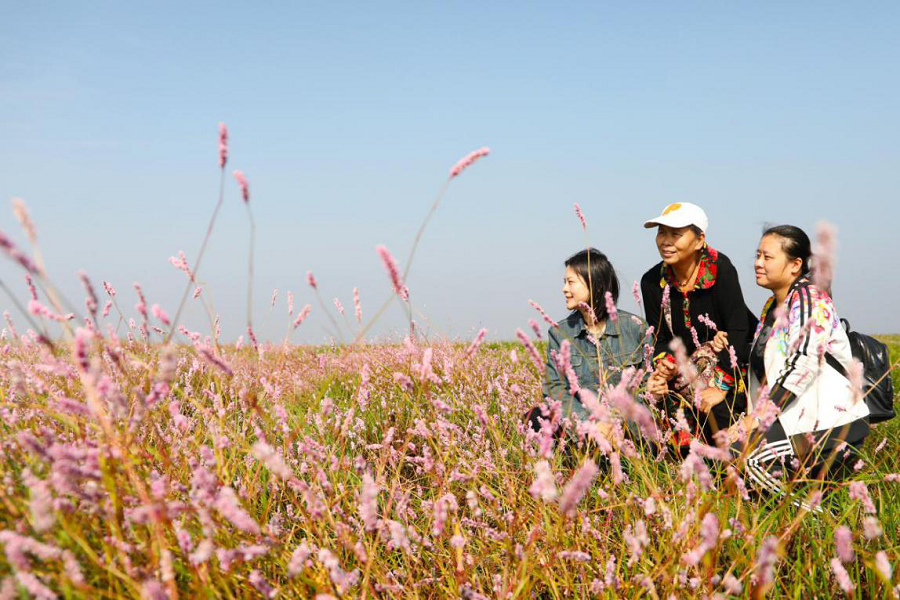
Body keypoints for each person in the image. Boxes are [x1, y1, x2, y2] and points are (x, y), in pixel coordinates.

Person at [731, 225, 869, 495]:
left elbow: (804, 362)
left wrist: (760, 417)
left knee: (748, 458)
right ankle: (795, 524)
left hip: (831, 422)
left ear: (795, 264)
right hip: (798, 420)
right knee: (732, 456)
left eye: (767, 257)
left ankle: (806, 523)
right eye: (757, 255)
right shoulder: (772, 307)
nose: (758, 263)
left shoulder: (809, 298)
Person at [640, 202, 757, 448]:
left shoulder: (719, 268)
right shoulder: (652, 282)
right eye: (661, 233)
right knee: (652, 395)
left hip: (731, 358)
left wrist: (721, 386)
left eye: (676, 234)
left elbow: (738, 329)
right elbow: (660, 337)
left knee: (714, 406)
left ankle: (730, 465)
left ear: (699, 239)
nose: (665, 241)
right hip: (688, 365)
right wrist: (665, 365)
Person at [529, 248, 648, 436]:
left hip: (628, 430)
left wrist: (617, 423)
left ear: (594, 284)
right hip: (584, 430)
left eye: (570, 282)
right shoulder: (560, 334)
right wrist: (590, 424)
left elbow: (648, 386)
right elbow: (555, 389)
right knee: (535, 417)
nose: (564, 289)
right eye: (564, 282)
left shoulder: (635, 328)